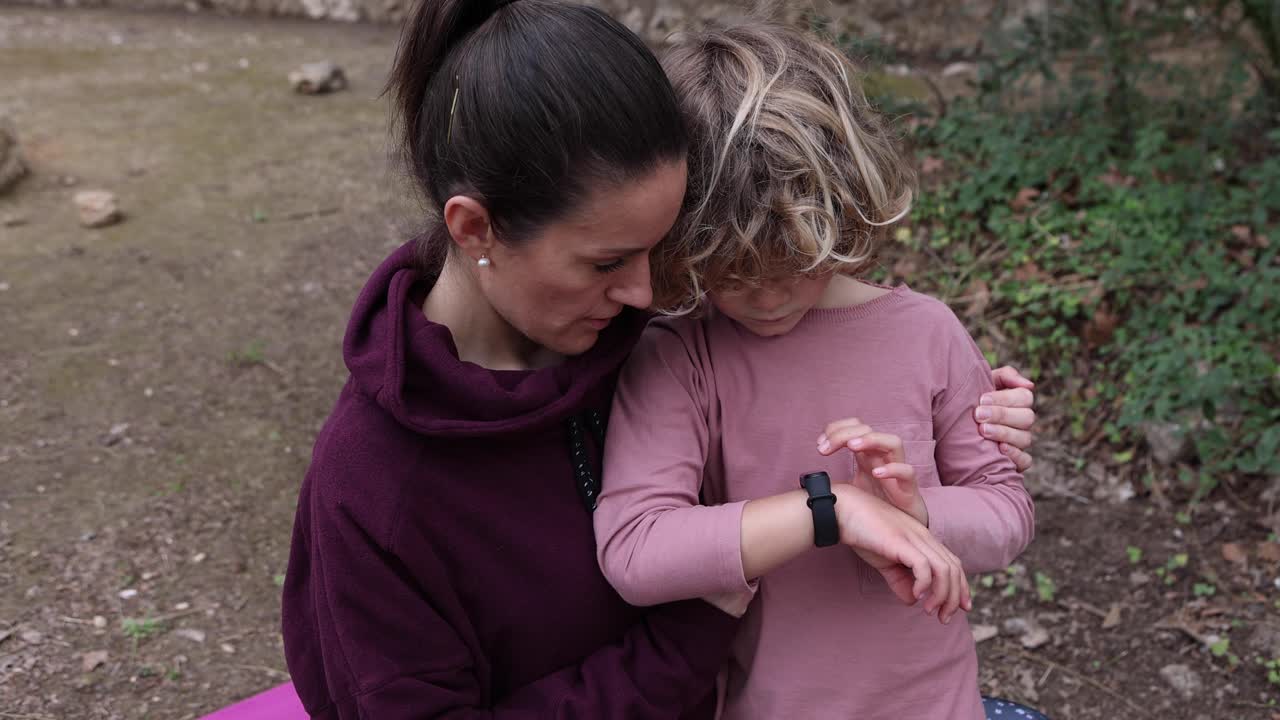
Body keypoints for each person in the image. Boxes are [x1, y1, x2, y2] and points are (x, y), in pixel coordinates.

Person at [280, 1, 1039, 718]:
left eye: (659, 252)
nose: (648, 293)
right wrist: (823, 510)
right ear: (476, 230)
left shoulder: (642, 331)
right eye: (610, 260)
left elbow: (988, 496)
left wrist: (965, 448)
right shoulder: (375, 494)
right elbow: (642, 548)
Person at [593, 21, 1042, 720]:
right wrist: (829, 513)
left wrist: (914, 512)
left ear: (843, 212)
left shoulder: (927, 333)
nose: (767, 298)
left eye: (793, 264)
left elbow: (1005, 512)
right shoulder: (682, 356)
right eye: (730, 273)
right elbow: (635, 551)